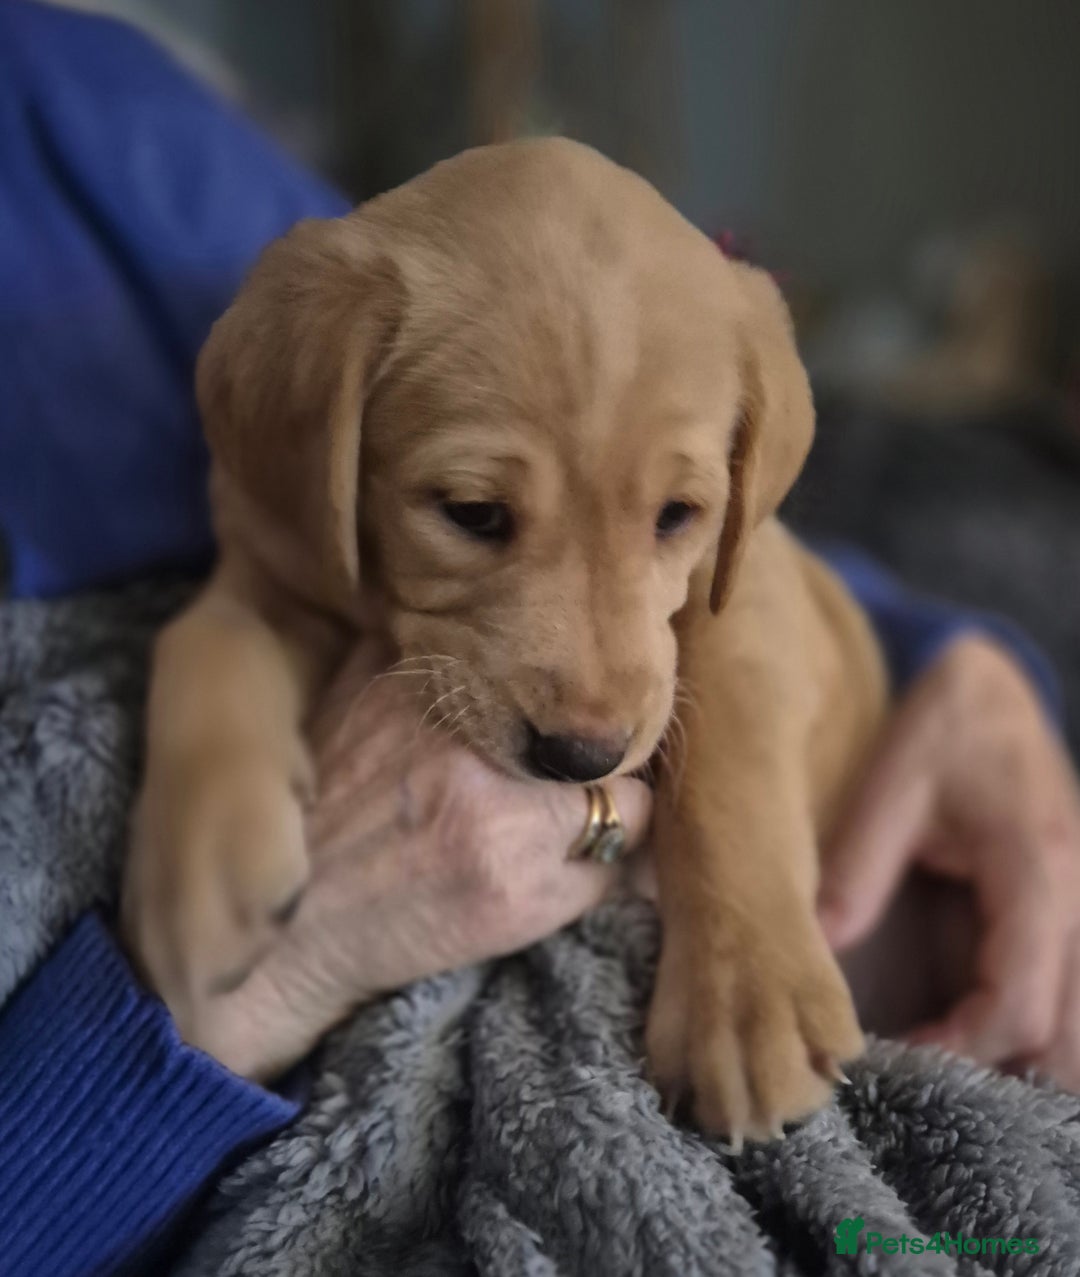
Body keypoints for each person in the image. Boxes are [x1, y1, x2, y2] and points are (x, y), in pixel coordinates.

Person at [1, 5, 1078, 1275]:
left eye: (679, 512)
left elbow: (752, 583)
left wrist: (960, 669)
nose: (593, 694)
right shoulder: (321, 371)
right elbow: (262, 583)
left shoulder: (67, 95)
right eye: (476, 512)